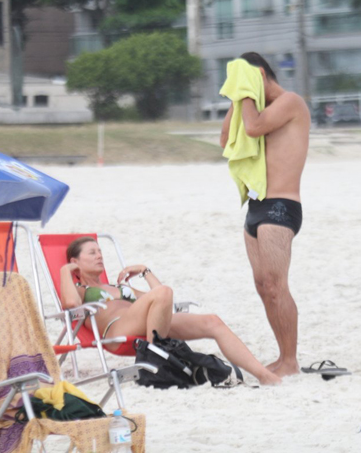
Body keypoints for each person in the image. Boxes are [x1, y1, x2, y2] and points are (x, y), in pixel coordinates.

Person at [60, 236, 281, 386]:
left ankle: (265, 376)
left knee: (212, 321)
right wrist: (65, 270)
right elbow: (69, 304)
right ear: (75, 261)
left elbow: (163, 300)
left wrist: (145, 271)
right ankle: (159, 359)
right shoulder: (81, 290)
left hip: (146, 326)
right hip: (117, 331)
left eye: (100, 251)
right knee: (163, 292)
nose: (99, 256)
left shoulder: (119, 287)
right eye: (92, 253)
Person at [220, 52, 310, 377]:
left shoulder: (291, 102)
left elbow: (254, 128)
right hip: (256, 208)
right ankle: (282, 356)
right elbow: (226, 140)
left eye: (242, 81)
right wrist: (236, 97)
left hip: (281, 206)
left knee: (276, 284)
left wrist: (246, 92)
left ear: (258, 75)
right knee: (263, 285)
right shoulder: (254, 108)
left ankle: (290, 360)